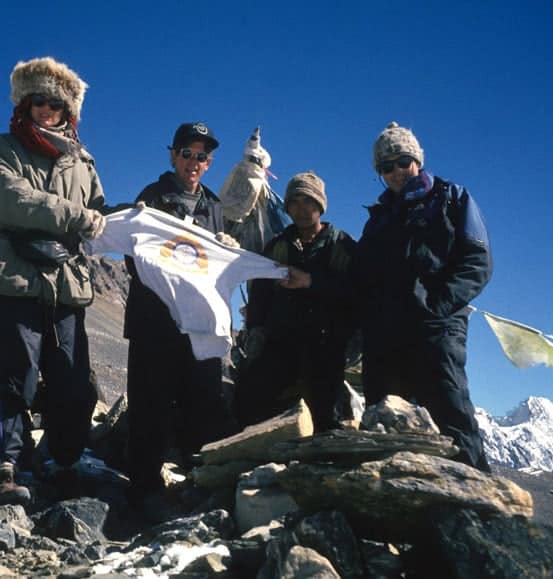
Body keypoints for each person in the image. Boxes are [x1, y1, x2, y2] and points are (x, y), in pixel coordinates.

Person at [352, 122, 492, 471]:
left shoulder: (452, 198)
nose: (396, 172)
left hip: (436, 328)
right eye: (386, 168)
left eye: (403, 162)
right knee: (383, 420)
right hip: (385, 334)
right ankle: (392, 499)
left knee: (450, 412)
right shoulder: (378, 219)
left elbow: (477, 261)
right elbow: (361, 277)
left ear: (417, 160)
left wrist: (438, 306)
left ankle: (482, 494)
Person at [0, 57, 107, 504]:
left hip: (68, 286)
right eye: (38, 100)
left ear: (69, 111)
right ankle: (5, 466)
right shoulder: (6, 149)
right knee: (13, 377)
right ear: (25, 103)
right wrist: (75, 217)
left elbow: (101, 216)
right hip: (15, 280)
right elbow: (10, 198)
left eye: (56, 104)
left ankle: (63, 462)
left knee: (74, 383)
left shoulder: (84, 163)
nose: (47, 109)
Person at [124, 122, 239, 511]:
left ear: (209, 163)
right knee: (150, 403)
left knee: (202, 401)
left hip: (198, 327)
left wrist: (225, 250)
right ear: (173, 155)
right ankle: (141, 491)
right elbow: (132, 256)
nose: (194, 162)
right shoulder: (151, 197)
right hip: (154, 323)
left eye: (202, 156)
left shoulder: (214, 207)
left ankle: (198, 486)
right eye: (187, 153)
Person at [233, 171, 356, 432]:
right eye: (295, 203)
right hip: (281, 343)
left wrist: (311, 282)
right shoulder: (276, 247)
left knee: (327, 417)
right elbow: (260, 296)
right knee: (249, 401)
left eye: (308, 201)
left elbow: (356, 290)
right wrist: (255, 331)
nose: (301, 209)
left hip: (327, 345)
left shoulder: (341, 245)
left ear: (320, 205)